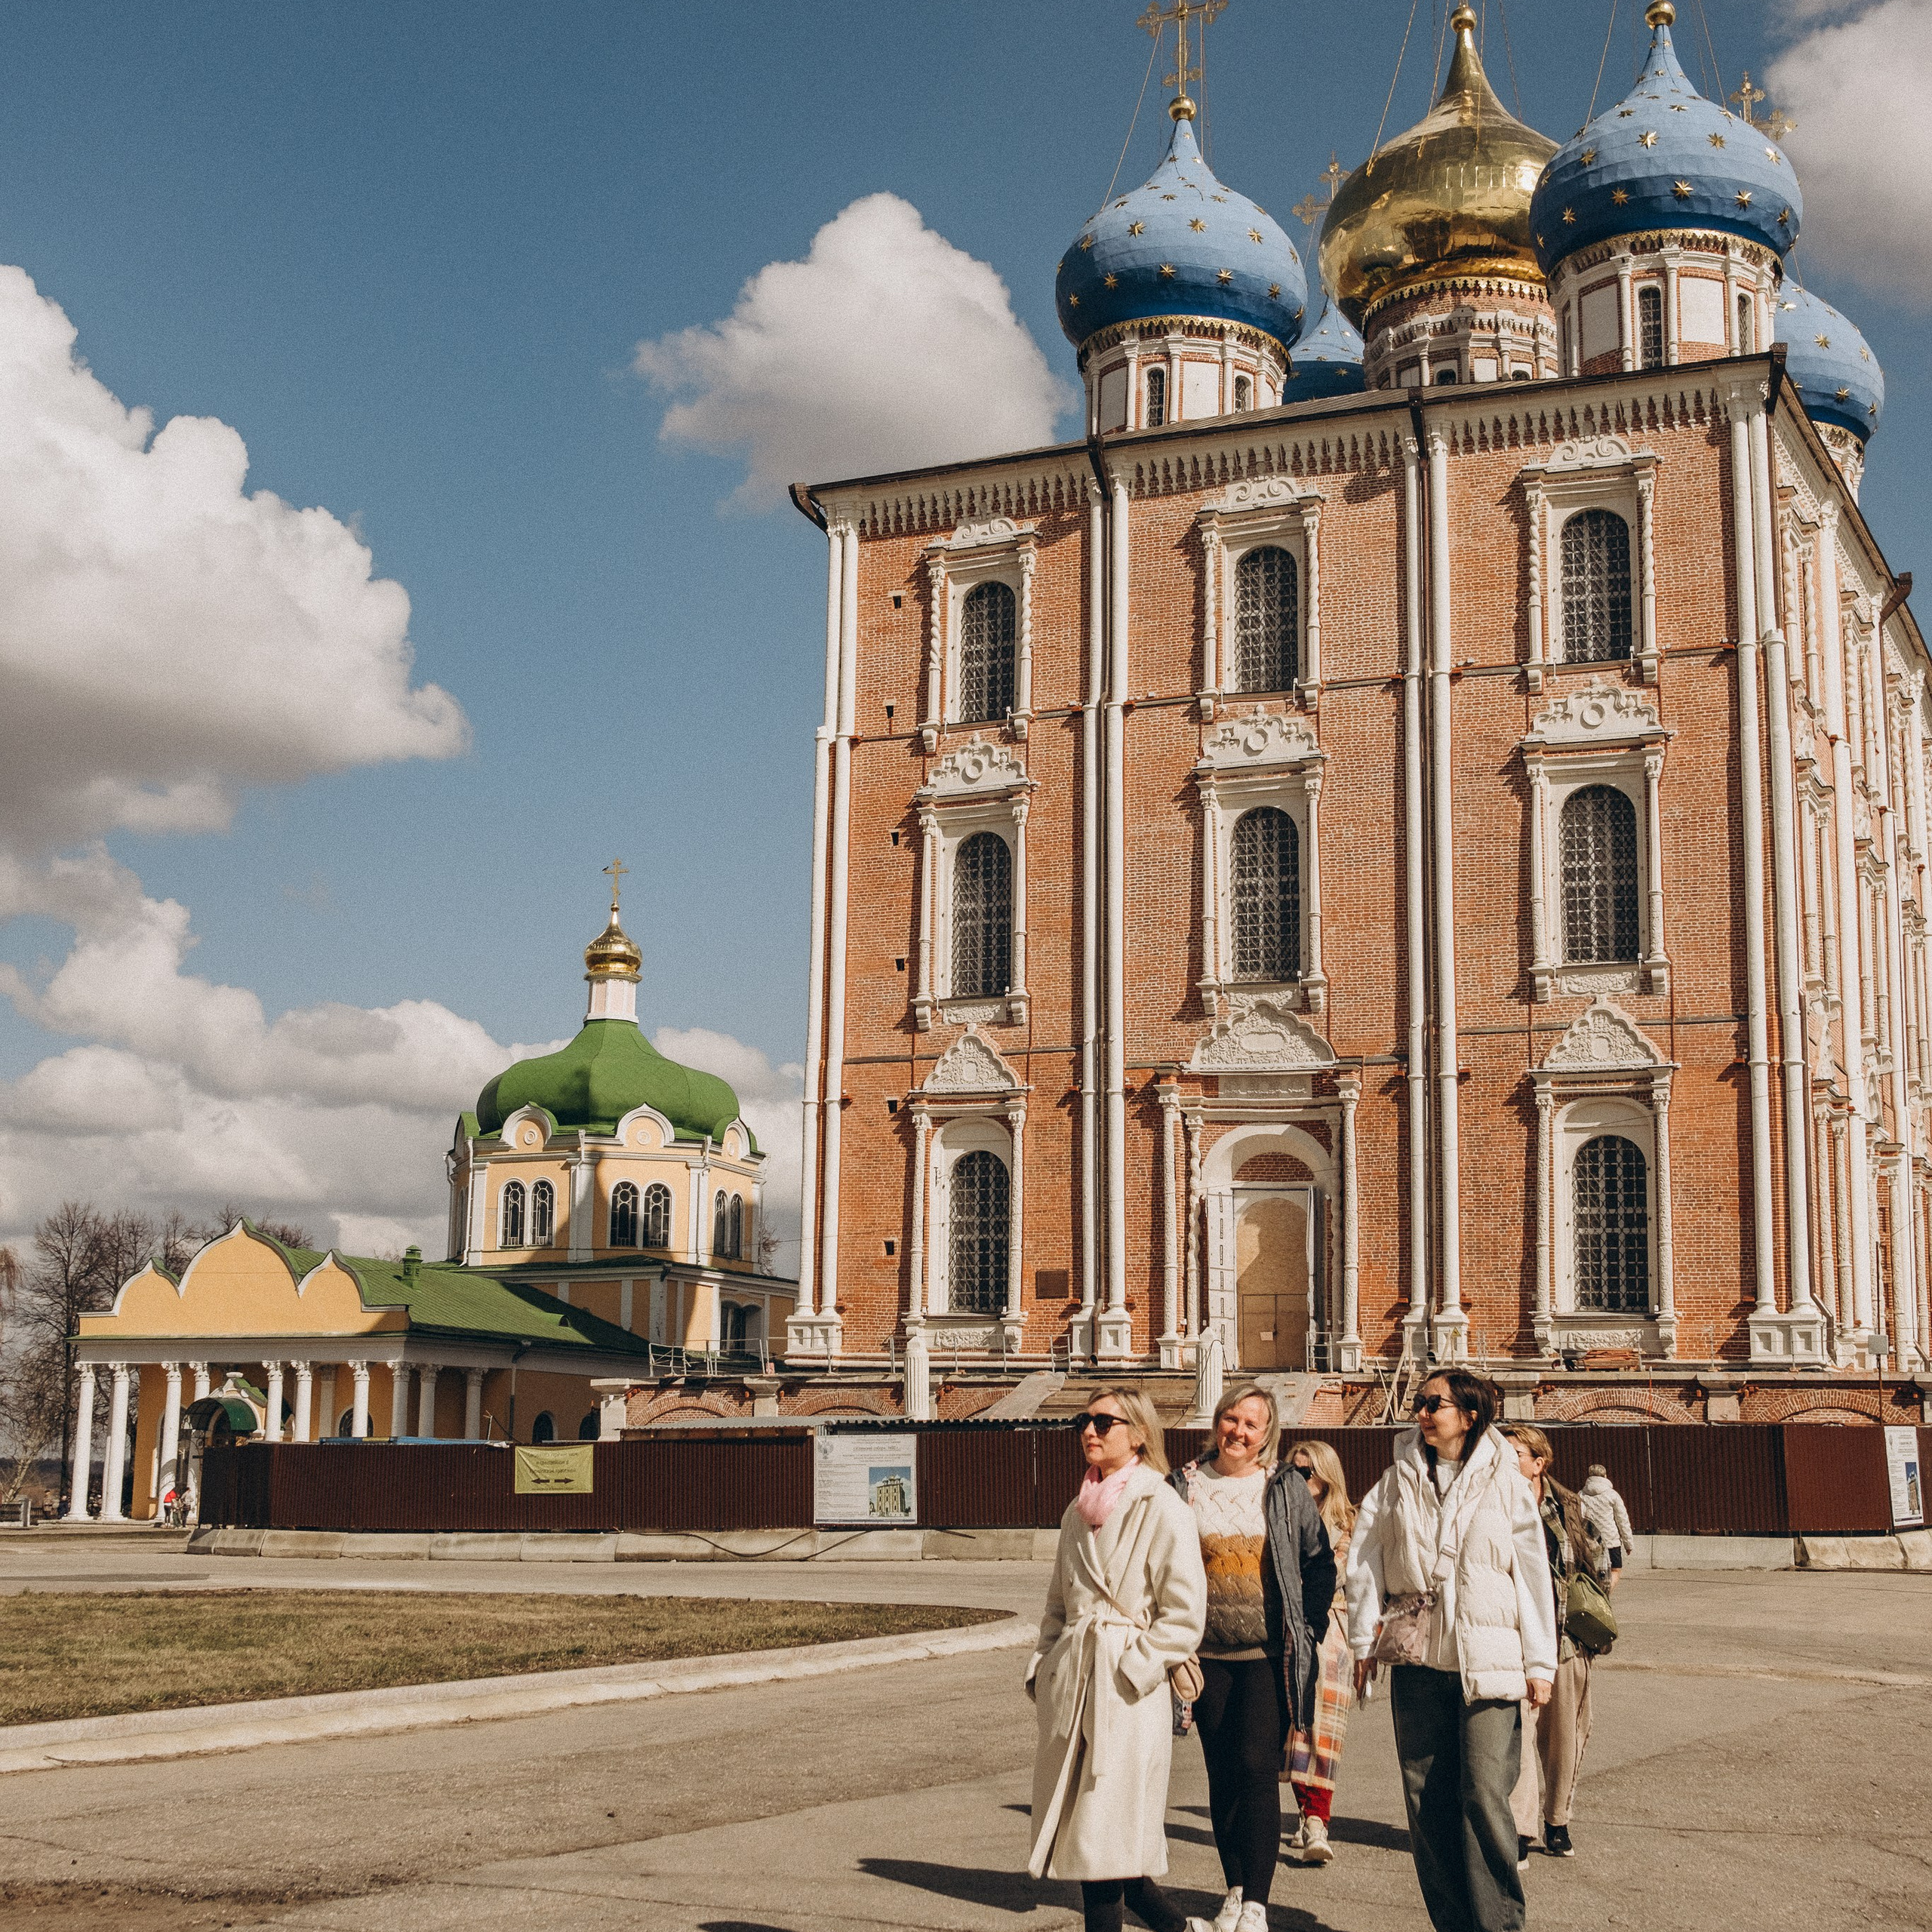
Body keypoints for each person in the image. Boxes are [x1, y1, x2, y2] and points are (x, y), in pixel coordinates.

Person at [1346, 1371, 1556, 1932]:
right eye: (1417, 1402)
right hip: (1417, 1663)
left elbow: (1532, 1573)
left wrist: (1540, 1663)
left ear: (1469, 1415)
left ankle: (1499, 1925)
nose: (1419, 1411)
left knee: (1485, 1796)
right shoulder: (1395, 1481)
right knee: (1425, 1803)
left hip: (1486, 1665)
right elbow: (1364, 1563)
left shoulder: (1504, 1481)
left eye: (1432, 1403)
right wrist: (1364, 1642)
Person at [1029, 1389, 1209, 1932]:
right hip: (1074, 1682)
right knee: (1096, 1837)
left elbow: (1183, 1613)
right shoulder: (1075, 1512)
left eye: (1105, 1422)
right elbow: (1058, 1604)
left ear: (1138, 1433)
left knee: (1103, 1834)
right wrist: (1043, 1668)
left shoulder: (1163, 1505)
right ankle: (1180, 1929)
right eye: (1086, 1420)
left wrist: (1136, 1669)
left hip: (1126, 1691)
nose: (1090, 1430)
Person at [1171, 1387, 1335, 1931]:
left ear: (1268, 1434)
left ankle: (1258, 1905)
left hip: (1269, 1654)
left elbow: (1319, 1563)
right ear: (1216, 1423)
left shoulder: (1283, 1486)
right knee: (1221, 1774)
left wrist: (1309, 1629)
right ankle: (1235, 1890)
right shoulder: (1183, 1485)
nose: (1238, 1431)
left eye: (1251, 1424)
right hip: (1206, 1655)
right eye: (1230, 1419)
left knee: (1256, 1768)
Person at [1501, 1424, 1604, 1863]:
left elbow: (1598, 1558)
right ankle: (1521, 1831)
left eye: (1515, 1454)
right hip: (1512, 1639)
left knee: (1565, 1736)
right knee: (1517, 1738)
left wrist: (1592, 1605)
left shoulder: (1570, 1506)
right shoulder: (1495, 1501)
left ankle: (1557, 1818)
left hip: (1564, 1639)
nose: (1504, 1461)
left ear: (1538, 1462)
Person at [1282, 1439, 1356, 1866]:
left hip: (1331, 1630)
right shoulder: (1278, 1517)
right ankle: (1308, 1815)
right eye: (1291, 1474)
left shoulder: (1347, 1522)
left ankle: (1316, 1821)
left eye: (1306, 1474)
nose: (1298, 1481)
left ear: (1327, 1479)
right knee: (1293, 1730)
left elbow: (1341, 1574)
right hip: (1288, 1629)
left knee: (1322, 1730)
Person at [1577, 1463, 1634, 1590]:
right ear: (1605, 1476)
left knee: (1592, 1573)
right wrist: (1628, 1544)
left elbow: (1577, 1518)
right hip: (1611, 1541)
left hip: (1589, 1542)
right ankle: (1605, 1595)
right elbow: (1622, 1521)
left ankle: (1595, 1596)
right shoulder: (1612, 1495)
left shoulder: (1581, 1494)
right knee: (1616, 1570)